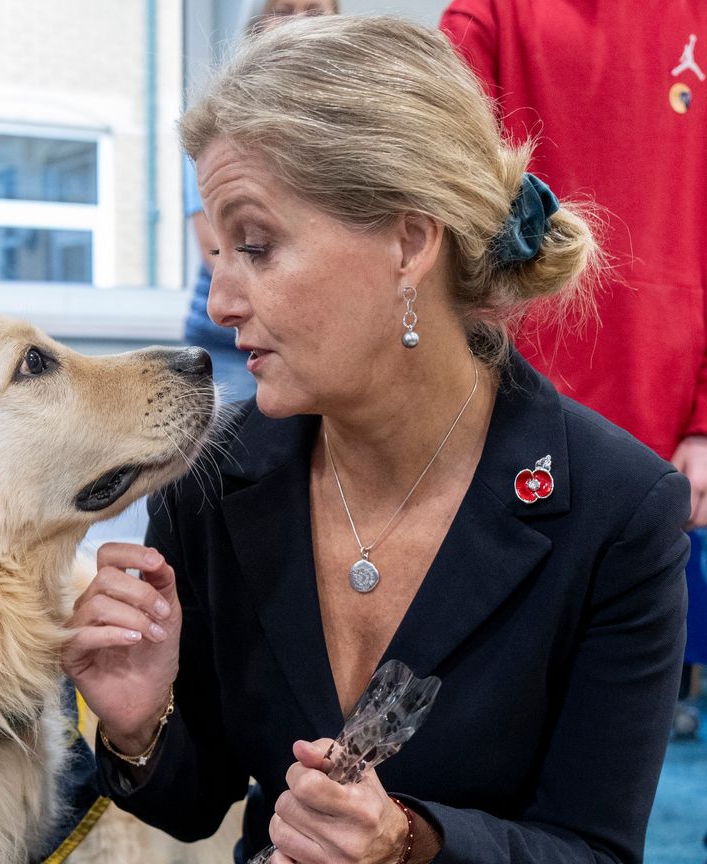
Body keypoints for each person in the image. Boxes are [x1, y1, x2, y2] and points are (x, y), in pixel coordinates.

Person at [65, 16, 689, 864]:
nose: (218, 304)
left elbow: (593, 849)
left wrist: (409, 844)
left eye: (255, 245)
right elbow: (195, 799)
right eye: (218, 253)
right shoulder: (212, 480)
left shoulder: (618, 512)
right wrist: (140, 723)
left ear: (408, 242)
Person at [439, 0, 707, 742]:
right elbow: (439, 193)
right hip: (510, 411)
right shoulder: (489, 15)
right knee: (503, 714)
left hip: (665, 415)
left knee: (624, 726)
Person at [182, 0, 339, 403]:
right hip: (225, 343)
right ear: (259, 23)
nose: (299, 23)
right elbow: (213, 249)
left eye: (315, 10)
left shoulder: (338, 126)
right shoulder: (213, 128)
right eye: (283, 9)